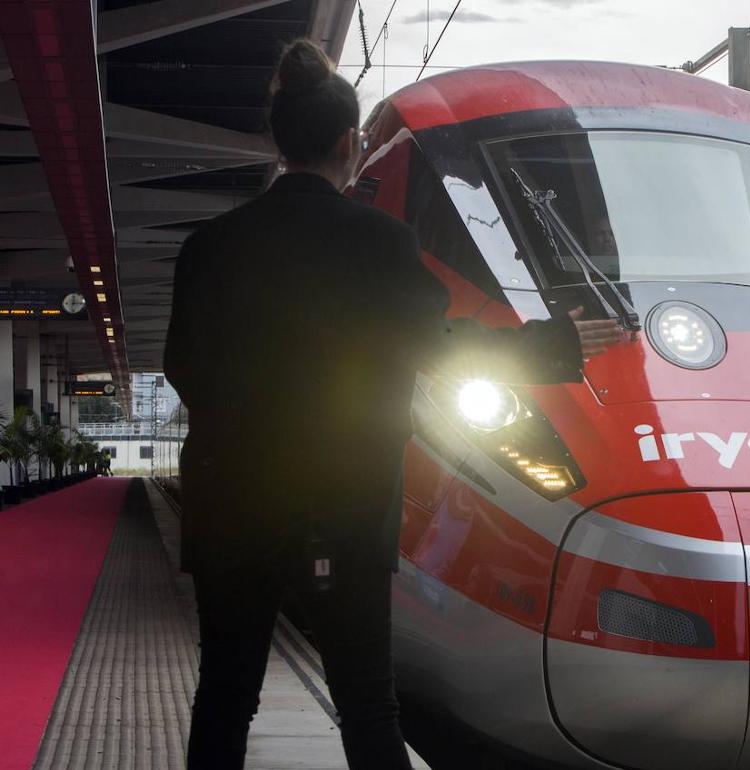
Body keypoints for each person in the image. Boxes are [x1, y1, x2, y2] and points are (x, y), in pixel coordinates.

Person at [163, 39, 624, 770]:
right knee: (367, 703)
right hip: (345, 510)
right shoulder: (383, 243)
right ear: (349, 145)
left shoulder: (212, 247)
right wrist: (554, 342)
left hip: (235, 510)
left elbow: (182, 369)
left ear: (277, 141)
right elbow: (441, 346)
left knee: (224, 696)